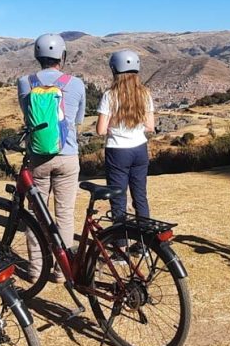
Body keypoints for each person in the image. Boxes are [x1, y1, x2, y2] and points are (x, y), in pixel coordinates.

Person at [17, 33, 86, 282]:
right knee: (64, 214)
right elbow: (77, 121)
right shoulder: (76, 84)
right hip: (68, 156)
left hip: (37, 157)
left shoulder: (25, 82)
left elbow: (28, 116)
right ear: (62, 56)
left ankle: (36, 270)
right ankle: (61, 271)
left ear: (37, 55)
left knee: (37, 215)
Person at [96, 49, 154, 220]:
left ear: (114, 70)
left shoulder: (110, 95)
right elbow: (150, 126)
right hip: (140, 149)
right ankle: (144, 240)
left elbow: (100, 130)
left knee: (118, 198)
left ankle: (120, 242)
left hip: (117, 151)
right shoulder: (145, 94)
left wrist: (114, 128)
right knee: (140, 197)